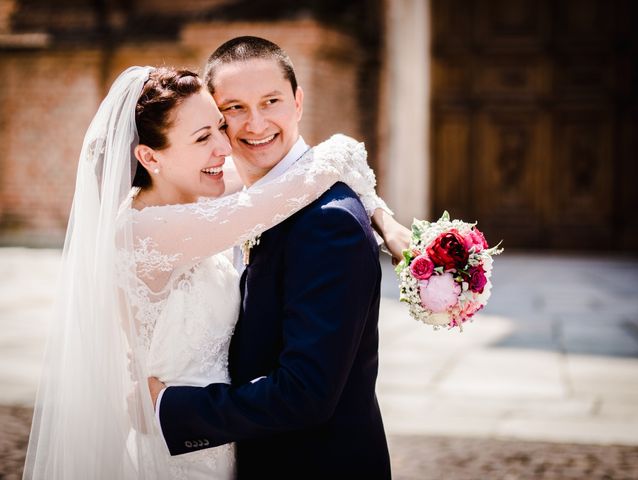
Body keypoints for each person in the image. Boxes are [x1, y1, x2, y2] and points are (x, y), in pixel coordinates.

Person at [22, 64, 407, 479]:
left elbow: (301, 178)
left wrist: (383, 218)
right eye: (204, 137)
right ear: (150, 156)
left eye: (220, 128)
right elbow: (320, 168)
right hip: (178, 451)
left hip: (221, 437)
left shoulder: (194, 192)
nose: (224, 148)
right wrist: (382, 218)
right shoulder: (143, 230)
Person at [150, 37, 403, 479]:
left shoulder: (329, 223)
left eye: (271, 101)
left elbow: (305, 393)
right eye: (234, 108)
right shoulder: (236, 197)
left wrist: (168, 407)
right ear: (215, 116)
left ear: (298, 102)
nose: (256, 123)